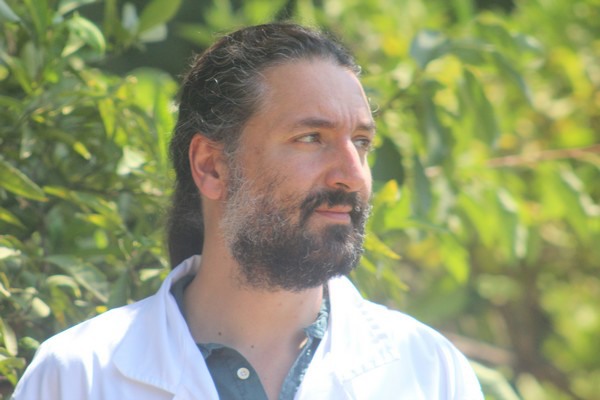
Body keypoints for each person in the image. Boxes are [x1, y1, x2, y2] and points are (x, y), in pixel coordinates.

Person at [12, 23, 483, 400]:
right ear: (211, 166)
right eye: (311, 138)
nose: (352, 175)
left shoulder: (428, 373)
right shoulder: (78, 376)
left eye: (361, 142)